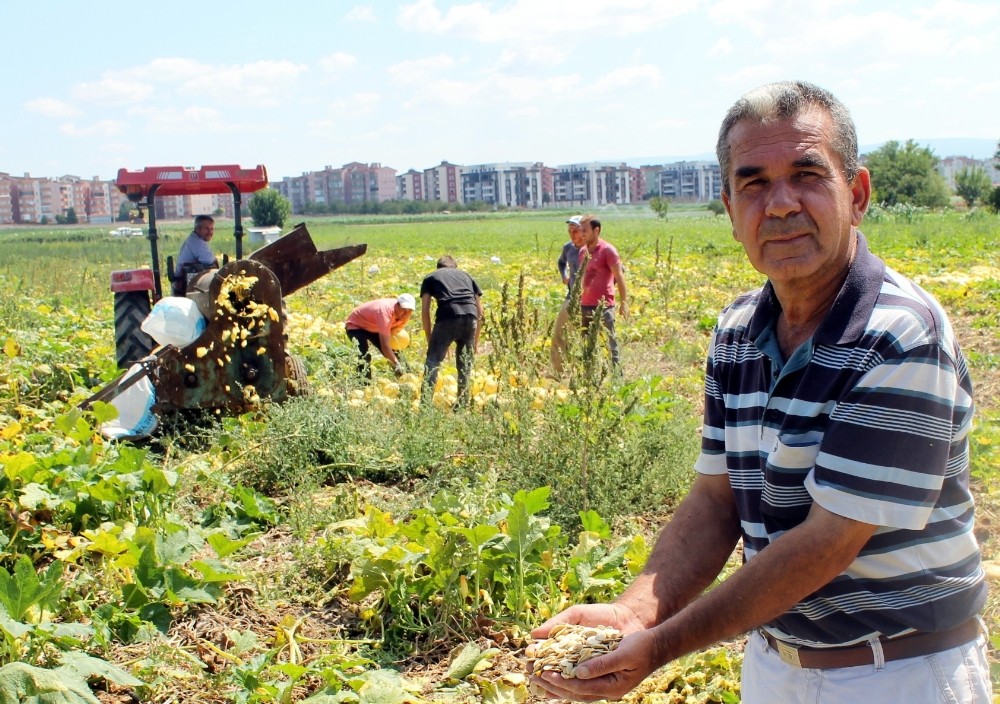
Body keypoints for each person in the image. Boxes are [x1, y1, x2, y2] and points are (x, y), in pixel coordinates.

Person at [528, 81, 989, 703]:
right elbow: (716, 500)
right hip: (776, 663)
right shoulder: (737, 330)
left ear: (856, 195)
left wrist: (658, 646)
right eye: (753, 184)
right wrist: (635, 612)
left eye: (807, 175)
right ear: (730, 209)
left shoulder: (901, 335)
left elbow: (825, 545)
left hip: (894, 672)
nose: (780, 204)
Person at [420, 255, 483, 407]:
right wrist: (475, 342)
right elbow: (480, 312)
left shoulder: (431, 277)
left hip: (447, 316)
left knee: (433, 362)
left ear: (438, 267)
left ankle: (425, 406)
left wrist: (430, 339)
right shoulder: (467, 276)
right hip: (470, 317)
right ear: (455, 267)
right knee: (465, 365)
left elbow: (425, 311)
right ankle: (462, 405)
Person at [577, 214, 628, 369]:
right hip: (585, 305)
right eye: (580, 230)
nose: (581, 234)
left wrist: (624, 303)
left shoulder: (608, 250)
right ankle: (589, 374)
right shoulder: (582, 252)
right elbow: (582, 277)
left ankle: (616, 375)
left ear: (596, 230)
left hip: (604, 306)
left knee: (610, 344)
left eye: (585, 230)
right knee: (587, 344)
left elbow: (619, 277)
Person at [344, 294, 415, 381]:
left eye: (409, 311)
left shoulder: (405, 315)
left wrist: (397, 359)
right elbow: (385, 346)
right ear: (397, 305)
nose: (406, 314)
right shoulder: (385, 313)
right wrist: (396, 363)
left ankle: (408, 378)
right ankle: (363, 382)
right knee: (364, 353)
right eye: (403, 310)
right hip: (356, 325)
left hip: (375, 327)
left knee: (396, 352)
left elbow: (393, 337)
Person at [550, 215, 585, 374]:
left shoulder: (594, 248)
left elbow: (617, 271)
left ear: (584, 231)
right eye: (569, 231)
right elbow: (561, 262)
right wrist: (564, 275)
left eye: (575, 231)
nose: (572, 235)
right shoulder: (568, 247)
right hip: (572, 297)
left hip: (592, 301)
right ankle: (558, 372)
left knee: (587, 336)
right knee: (560, 333)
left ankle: (587, 371)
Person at [173, 214, 219, 295]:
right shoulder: (195, 242)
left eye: (212, 229)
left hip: (189, 284)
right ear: (198, 229)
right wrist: (215, 259)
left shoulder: (195, 239)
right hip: (185, 288)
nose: (210, 232)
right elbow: (208, 260)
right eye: (207, 229)